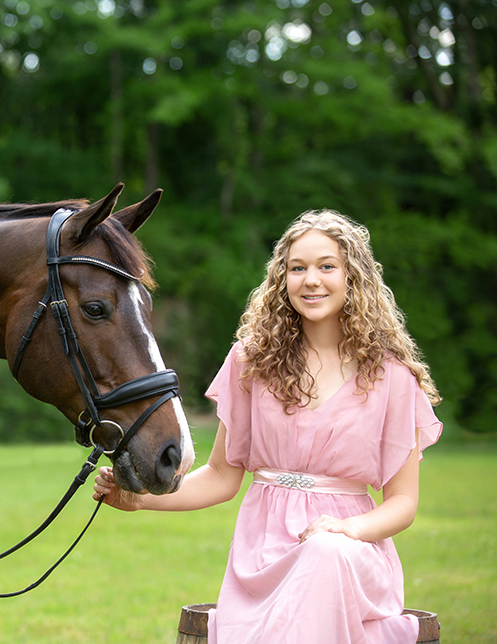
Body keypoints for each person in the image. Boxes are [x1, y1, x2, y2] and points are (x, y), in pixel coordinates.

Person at [93, 209, 442, 644]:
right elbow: (222, 476)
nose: (311, 279)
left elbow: (403, 503)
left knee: (326, 552)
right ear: (282, 280)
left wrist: (347, 530)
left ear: (355, 277)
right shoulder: (251, 363)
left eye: (326, 266)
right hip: (263, 558)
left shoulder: (391, 377)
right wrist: (141, 500)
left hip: (352, 555)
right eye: (298, 268)